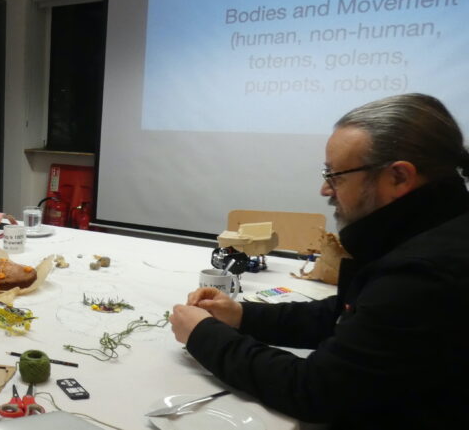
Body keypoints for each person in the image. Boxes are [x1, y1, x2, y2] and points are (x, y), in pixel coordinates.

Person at [169, 93, 469, 429]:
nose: (326, 190)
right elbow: (350, 316)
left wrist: (203, 336)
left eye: (335, 176)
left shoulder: (427, 272)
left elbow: (315, 391)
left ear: (398, 177)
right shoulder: (425, 231)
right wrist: (243, 316)